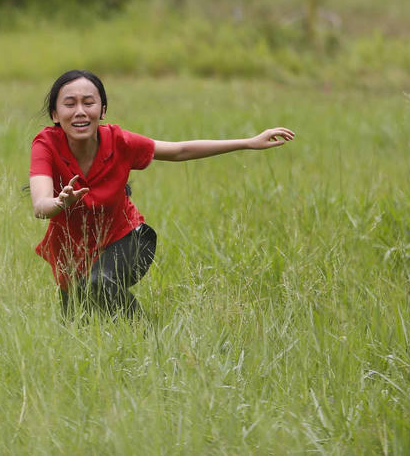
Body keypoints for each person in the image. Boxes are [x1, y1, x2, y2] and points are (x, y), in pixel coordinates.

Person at [28, 69, 295, 319]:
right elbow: (40, 205)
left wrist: (247, 142)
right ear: (55, 114)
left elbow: (179, 150)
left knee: (100, 285)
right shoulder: (46, 144)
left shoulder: (120, 141)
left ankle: (145, 337)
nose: (80, 112)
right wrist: (60, 202)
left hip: (128, 239)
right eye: (69, 104)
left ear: (103, 110)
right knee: (77, 322)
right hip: (70, 251)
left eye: (89, 102)